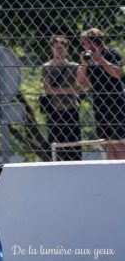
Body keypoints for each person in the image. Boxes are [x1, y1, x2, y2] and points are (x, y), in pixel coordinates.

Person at [78, 28, 125, 160]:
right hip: (99, 103)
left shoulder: (111, 54)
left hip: (116, 103)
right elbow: (81, 81)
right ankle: (112, 172)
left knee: (119, 141)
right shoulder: (88, 59)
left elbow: (117, 73)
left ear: (94, 42)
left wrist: (101, 60)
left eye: (85, 43)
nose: (84, 46)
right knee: (108, 141)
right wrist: (83, 63)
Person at [41, 36, 82, 161]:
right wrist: (70, 90)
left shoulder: (74, 66)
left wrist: (59, 91)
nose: (59, 51)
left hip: (71, 109)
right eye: (56, 48)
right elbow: (47, 89)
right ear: (51, 49)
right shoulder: (47, 67)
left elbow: (81, 85)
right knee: (54, 145)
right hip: (54, 110)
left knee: (74, 145)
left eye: (62, 48)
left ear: (67, 49)